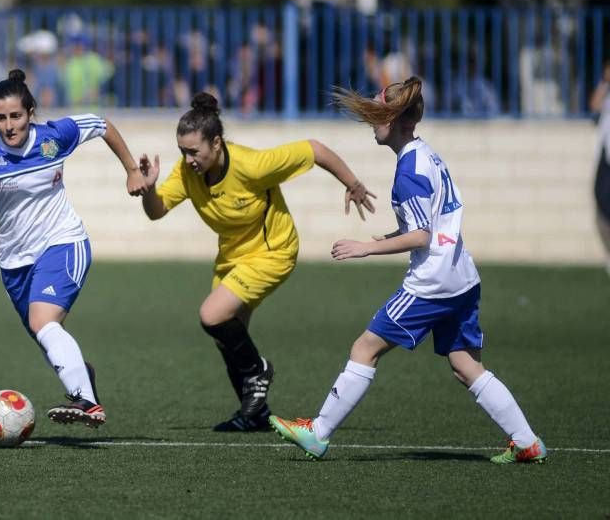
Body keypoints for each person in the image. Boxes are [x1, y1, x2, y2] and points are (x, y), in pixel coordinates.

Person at [269, 77, 547, 464]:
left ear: (397, 119)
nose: (372, 122)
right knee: (466, 364)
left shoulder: (409, 171)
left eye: (378, 114)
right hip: (461, 276)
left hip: (432, 282)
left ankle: (318, 433)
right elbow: (428, 224)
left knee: (365, 348)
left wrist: (367, 248)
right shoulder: (425, 155)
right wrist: (385, 235)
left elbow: (420, 236)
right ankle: (527, 441)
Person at [138, 92, 376, 432]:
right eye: (182, 151)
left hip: (273, 252)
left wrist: (353, 183)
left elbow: (314, 148)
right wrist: (149, 190)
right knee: (228, 338)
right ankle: (255, 414)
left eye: (194, 151)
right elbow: (157, 211)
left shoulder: (252, 165)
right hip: (232, 258)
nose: (188, 158)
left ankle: (259, 371)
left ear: (216, 143)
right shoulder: (187, 173)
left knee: (212, 315)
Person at [0, 69, 148, 428]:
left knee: (42, 322)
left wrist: (131, 169)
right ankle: (84, 377)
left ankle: (88, 403)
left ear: (30, 113)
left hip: (65, 243)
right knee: (45, 335)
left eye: (16, 116)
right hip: (15, 264)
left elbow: (101, 124)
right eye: (0, 118)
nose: (8, 125)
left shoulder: (54, 136)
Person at [589, 60, 610, 276]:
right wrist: (604, 83)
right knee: (601, 199)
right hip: (606, 157)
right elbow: (594, 105)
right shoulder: (606, 94)